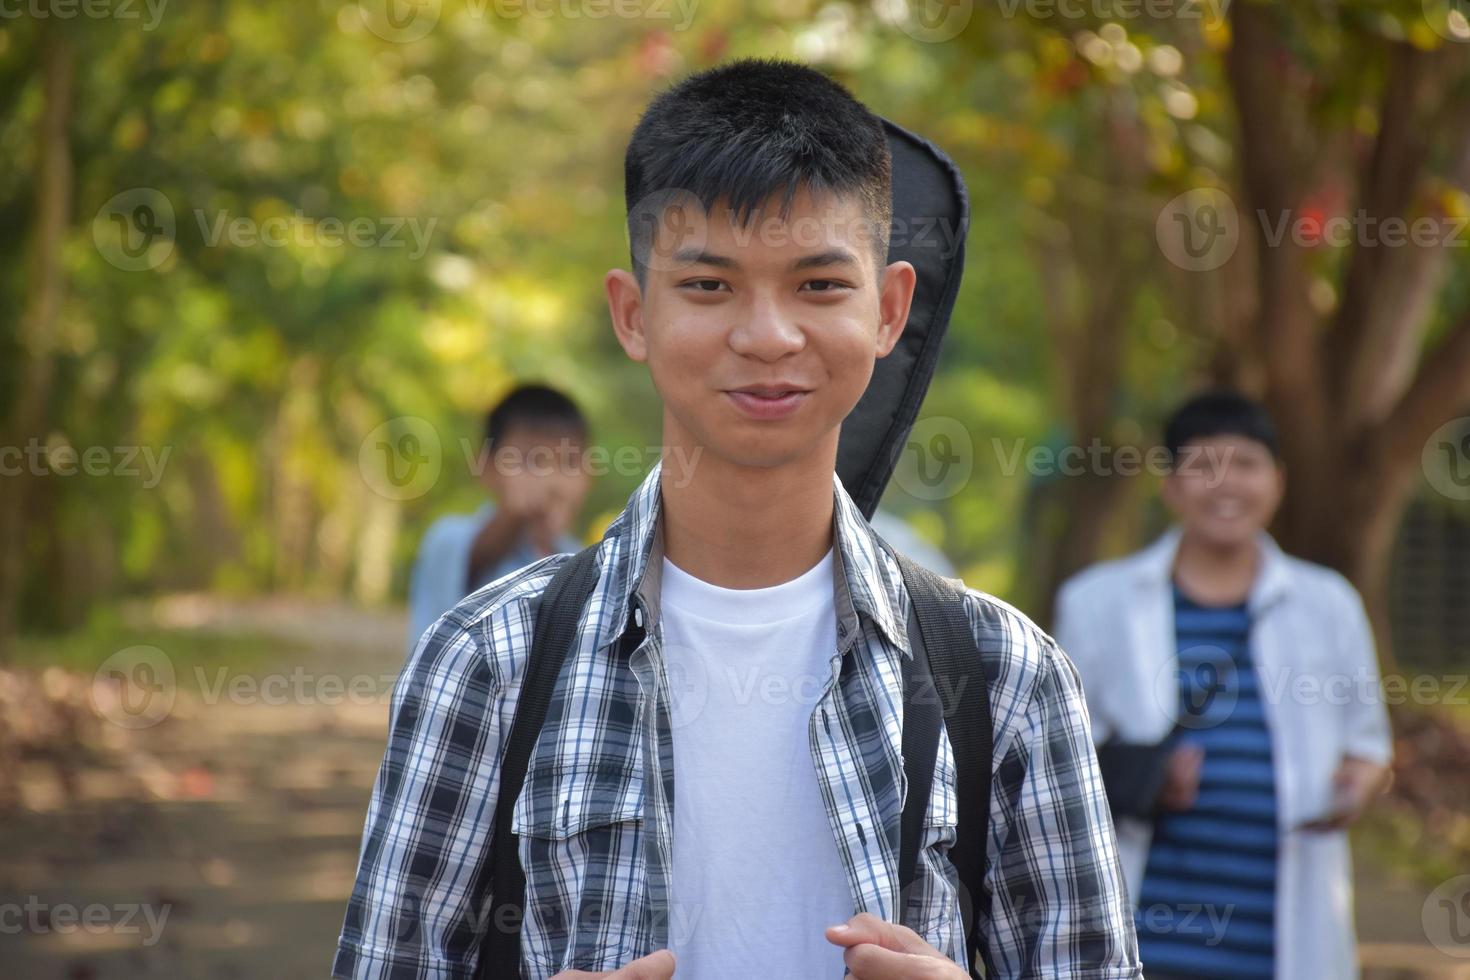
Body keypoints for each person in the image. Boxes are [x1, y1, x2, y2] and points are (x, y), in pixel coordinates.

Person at [335, 59, 1140, 980]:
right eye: (711, 286)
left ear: (889, 311)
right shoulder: (488, 661)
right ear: (633, 315)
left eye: (819, 286)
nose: (767, 336)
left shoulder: (1008, 679)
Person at [1053, 390, 1393, 980]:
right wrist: (1145, 774)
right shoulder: (1095, 604)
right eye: (1203, 465)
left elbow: (1368, 746)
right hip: (1144, 930)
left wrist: (1358, 786)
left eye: (1246, 463)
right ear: (1171, 484)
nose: (1226, 483)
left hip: (1280, 933)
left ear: (1278, 481)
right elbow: (1055, 762)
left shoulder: (1327, 604)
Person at [405, 384, 590, 650]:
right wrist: (516, 515)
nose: (551, 478)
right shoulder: (448, 537)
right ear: (486, 467)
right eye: (532, 461)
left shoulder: (585, 563)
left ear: (589, 474)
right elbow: (477, 558)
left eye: (569, 463)